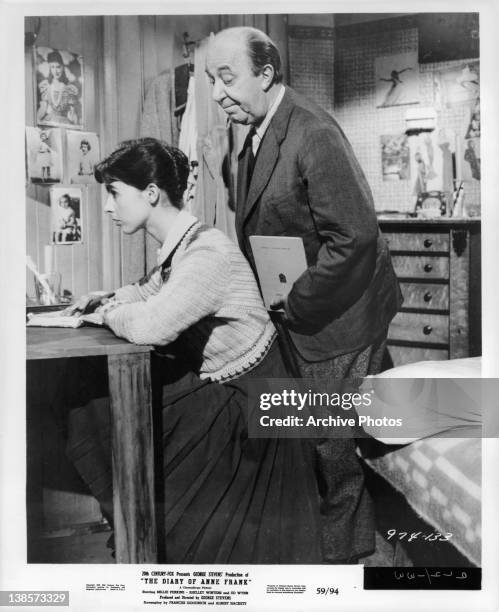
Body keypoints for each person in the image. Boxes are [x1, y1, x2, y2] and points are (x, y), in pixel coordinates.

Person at [62, 137, 323, 564]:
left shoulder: (208, 253)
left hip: (253, 411)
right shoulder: (186, 243)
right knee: (89, 393)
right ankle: (132, 521)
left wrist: (108, 311)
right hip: (232, 391)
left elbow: (151, 324)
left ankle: (137, 528)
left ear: (150, 193)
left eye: (113, 193)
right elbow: (151, 289)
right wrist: (109, 295)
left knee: (91, 397)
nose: (107, 207)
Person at [206, 26, 402, 563]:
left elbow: (355, 237)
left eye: (227, 77)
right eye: (210, 81)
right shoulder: (254, 134)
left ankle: (341, 561)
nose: (217, 92)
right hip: (303, 308)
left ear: (266, 74)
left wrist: (295, 303)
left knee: (330, 443)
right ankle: (346, 540)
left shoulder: (311, 131)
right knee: (330, 428)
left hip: (340, 311)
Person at [37, 49, 79, 126]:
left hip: (65, 124)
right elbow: (43, 108)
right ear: (50, 68)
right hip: (50, 122)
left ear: (62, 67)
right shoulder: (46, 87)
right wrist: (37, 121)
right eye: (52, 67)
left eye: (58, 67)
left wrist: (75, 123)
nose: (55, 71)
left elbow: (72, 113)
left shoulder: (69, 89)